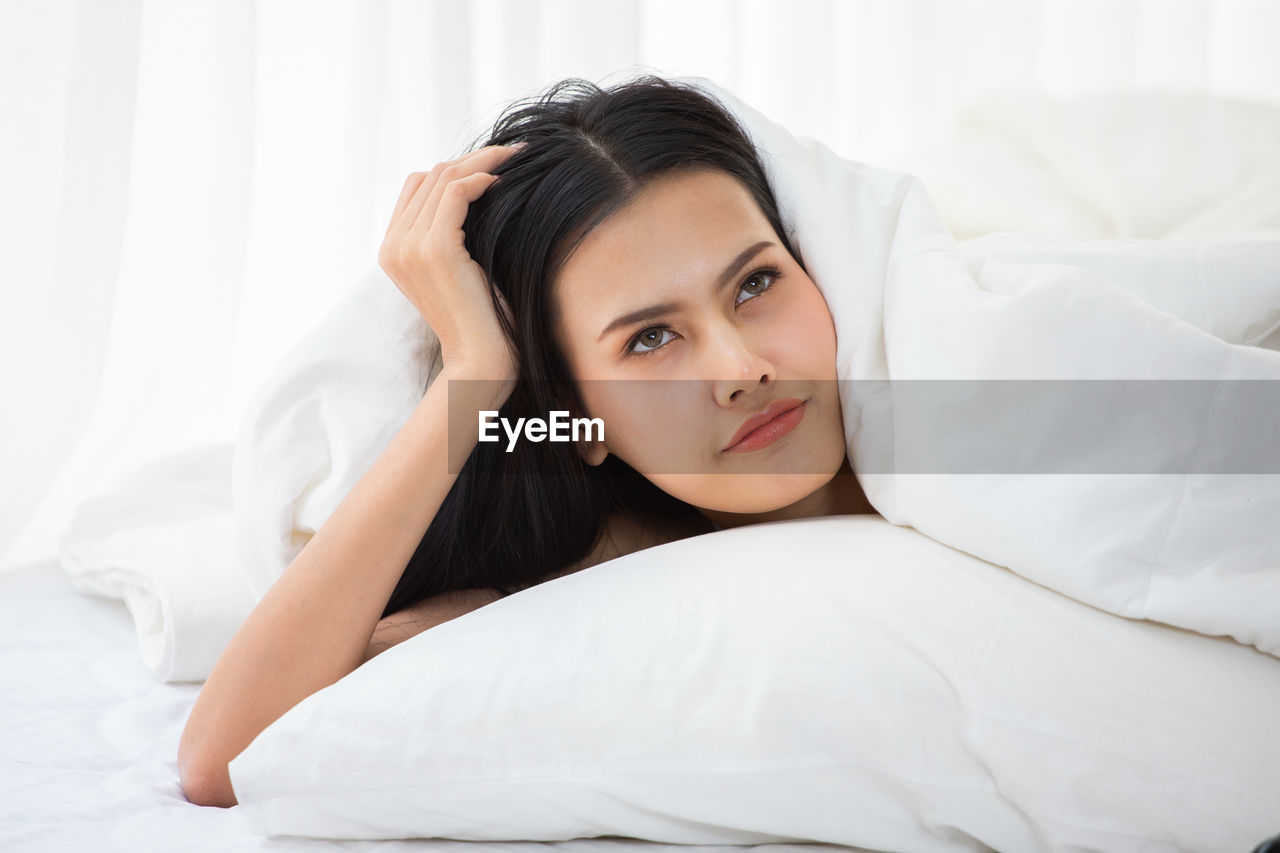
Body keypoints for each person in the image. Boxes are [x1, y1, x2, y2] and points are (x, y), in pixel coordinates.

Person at [177, 73, 876, 809]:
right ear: (582, 421)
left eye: (755, 284)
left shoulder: (948, 404)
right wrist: (475, 374)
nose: (742, 371)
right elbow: (226, 758)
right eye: (651, 339)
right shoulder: (610, 569)